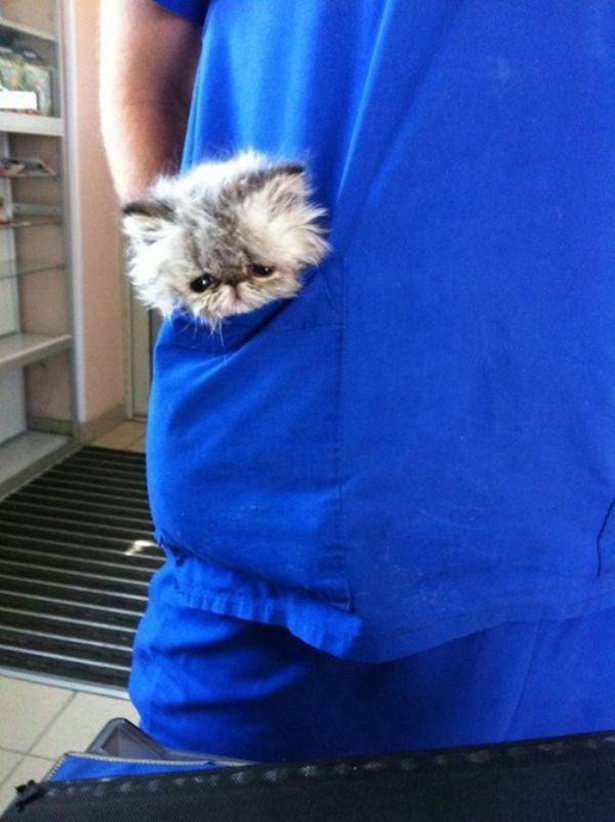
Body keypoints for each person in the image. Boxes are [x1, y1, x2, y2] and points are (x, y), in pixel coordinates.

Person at [100, 0, 615, 763]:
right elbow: (144, 64)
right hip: (297, 460)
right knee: (243, 790)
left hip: (584, 441)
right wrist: (196, 261)